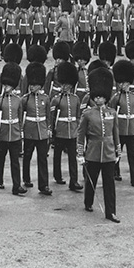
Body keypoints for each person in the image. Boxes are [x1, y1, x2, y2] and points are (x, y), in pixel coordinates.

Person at [77, 67, 121, 223]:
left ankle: (111, 212)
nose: (98, 100)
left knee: (110, 185)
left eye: (101, 97)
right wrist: (80, 153)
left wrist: (118, 151)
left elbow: (115, 133)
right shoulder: (88, 114)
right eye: (97, 97)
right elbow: (81, 134)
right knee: (91, 181)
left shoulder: (112, 113)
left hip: (108, 152)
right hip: (93, 152)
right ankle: (88, 202)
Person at [0, 62, 26, 195]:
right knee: (0, 158)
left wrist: (20, 133)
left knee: (15, 161)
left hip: (15, 134)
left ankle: (16, 185)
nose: (6, 87)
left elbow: (19, 117)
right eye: (5, 85)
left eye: (8, 85)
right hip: (3, 133)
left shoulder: (18, 100)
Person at [50, 61, 84, 191]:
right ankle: (57, 176)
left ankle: (73, 180)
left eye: (67, 85)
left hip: (72, 131)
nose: (65, 87)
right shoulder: (56, 99)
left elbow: (77, 116)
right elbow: (53, 117)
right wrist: (51, 131)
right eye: (63, 84)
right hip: (60, 130)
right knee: (57, 155)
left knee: (72, 158)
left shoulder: (76, 99)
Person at [21, 61, 53, 195]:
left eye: (34, 85)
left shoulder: (45, 98)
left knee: (42, 158)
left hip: (42, 131)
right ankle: (26, 178)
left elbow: (48, 115)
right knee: (27, 155)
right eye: (31, 84)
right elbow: (21, 115)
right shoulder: (25, 99)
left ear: (39, 85)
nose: (31, 87)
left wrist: (49, 129)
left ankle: (43, 184)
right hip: (29, 130)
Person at [110, 59, 134, 186]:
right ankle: (115, 172)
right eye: (122, 83)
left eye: (126, 83)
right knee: (118, 152)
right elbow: (113, 113)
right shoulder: (116, 98)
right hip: (120, 129)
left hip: (132, 129)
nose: (124, 85)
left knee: (132, 155)